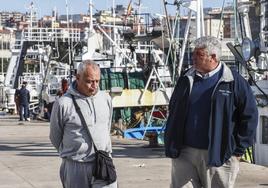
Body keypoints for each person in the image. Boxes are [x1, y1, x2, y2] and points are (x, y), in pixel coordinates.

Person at [164, 36, 258, 188]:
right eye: (193, 54)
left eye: (198, 55)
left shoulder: (234, 81)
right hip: (185, 153)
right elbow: (173, 108)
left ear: (213, 57)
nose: (193, 58)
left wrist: (237, 151)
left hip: (219, 154)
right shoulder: (186, 79)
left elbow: (250, 117)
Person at [49, 60, 117, 188]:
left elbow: (106, 127)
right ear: (78, 77)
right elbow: (55, 136)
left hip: (103, 164)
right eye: (90, 81)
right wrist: (74, 152)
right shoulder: (63, 103)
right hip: (76, 167)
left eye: (97, 81)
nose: (94, 85)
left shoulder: (105, 99)